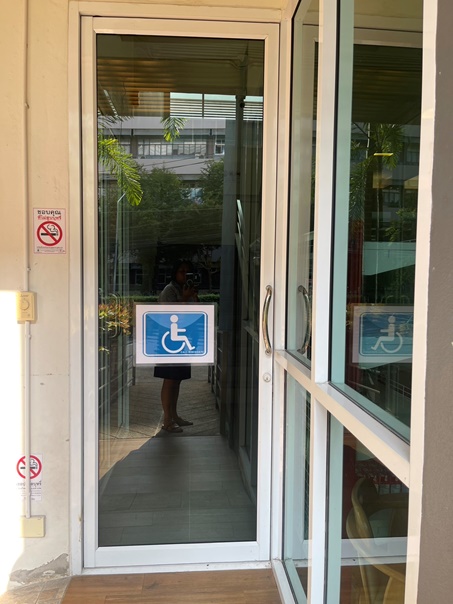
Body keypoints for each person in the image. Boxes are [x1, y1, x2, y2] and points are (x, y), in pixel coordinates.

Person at [154, 259, 199, 433]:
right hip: (168, 340)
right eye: (182, 271)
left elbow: (195, 312)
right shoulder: (169, 290)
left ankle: (174, 415)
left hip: (183, 338)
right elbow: (169, 315)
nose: (185, 274)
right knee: (169, 379)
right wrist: (185, 298)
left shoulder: (186, 289)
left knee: (177, 379)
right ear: (175, 273)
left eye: (188, 271)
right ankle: (167, 420)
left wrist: (193, 296)